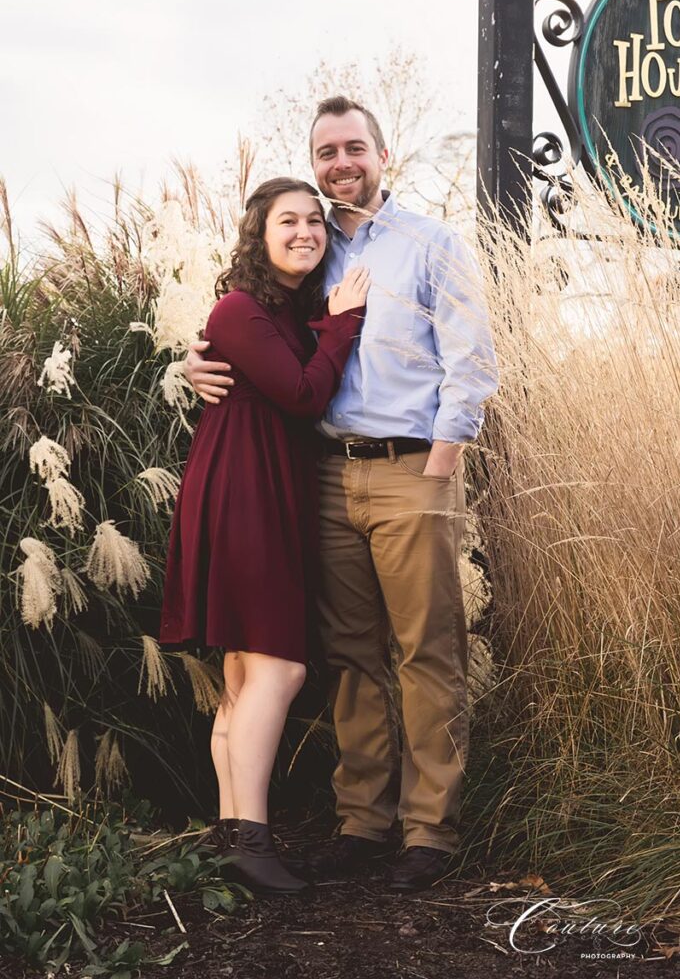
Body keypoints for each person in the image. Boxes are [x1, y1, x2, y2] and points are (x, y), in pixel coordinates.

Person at [184, 97, 499, 893]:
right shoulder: (311, 247)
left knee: (426, 653)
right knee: (350, 658)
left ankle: (429, 832)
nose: (339, 163)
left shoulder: (431, 244)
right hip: (322, 476)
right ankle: (363, 821)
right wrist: (192, 363)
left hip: (408, 470)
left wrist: (439, 464)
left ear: (382, 154)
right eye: (326, 151)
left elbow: (470, 363)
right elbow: (248, 327)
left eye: (353, 146)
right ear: (316, 163)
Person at [159, 176, 369, 895]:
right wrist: (343, 324)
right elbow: (304, 393)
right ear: (260, 233)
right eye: (289, 221)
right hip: (244, 494)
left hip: (266, 488)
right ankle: (251, 838)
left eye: (315, 221)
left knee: (248, 675)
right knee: (280, 670)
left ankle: (232, 834)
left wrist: (327, 321)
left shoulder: (282, 309)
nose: (306, 231)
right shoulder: (240, 306)